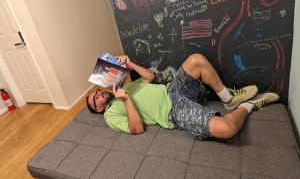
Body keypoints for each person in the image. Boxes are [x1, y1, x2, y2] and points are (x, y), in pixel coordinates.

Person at [86, 54, 279, 140]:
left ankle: (229, 100)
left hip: (173, 90)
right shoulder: (110, 114)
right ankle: (251, 105)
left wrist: (130, 64)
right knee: (226, 129)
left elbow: (151, 78)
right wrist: (126, 99)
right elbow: (136, 129)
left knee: (196, 60)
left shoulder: (126, 85)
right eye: (96, 101)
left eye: (96, 93)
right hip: (174, 112)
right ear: (100, 109)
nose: (99, 95)